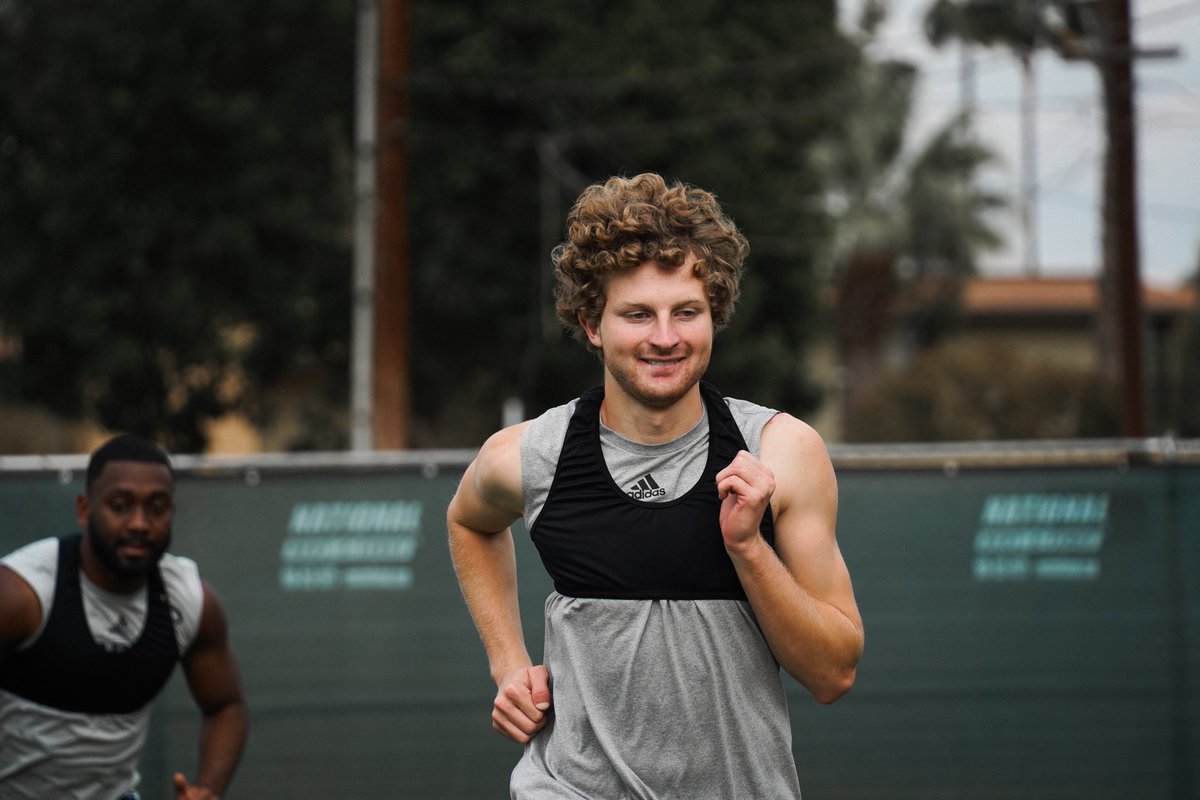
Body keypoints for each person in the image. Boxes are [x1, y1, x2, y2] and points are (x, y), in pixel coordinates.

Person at [448, 172, 864, 798]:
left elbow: (834, 673)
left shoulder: (779, 453)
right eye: (637, 314)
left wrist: (749, 549)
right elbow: (469, 521)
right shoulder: (533, 454)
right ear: (592, 324)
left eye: (686, 312)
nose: (664, 337)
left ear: (714, 316)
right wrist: (508, 664)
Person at [0, 433, 247, 800]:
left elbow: (226, 705)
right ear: (85, 510)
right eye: (120, 505)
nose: (139, 523)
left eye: (157, 507)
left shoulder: (191, 601)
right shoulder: (23, 593)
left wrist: (207, 790)